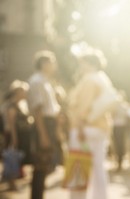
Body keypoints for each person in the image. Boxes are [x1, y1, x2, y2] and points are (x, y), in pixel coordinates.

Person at [68, 50, 114, 199]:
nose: (80, 66)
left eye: (82, 63)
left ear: (89, 64)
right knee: (98, 168)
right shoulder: (103, 79)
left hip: (85, 129)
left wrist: (80, 127)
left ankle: (77, 197)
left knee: (79, 165)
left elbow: (83, 106)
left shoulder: (88, 80)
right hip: (100, 129)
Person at [27, 51, 61, 199]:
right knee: (40, 166)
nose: (54, 65)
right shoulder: (37, 81)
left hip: (49, 123)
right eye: (51, 62)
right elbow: (38, 110)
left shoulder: (45, 81)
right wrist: (43, 134)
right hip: (44, 125)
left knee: (45, 165)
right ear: (43, 63)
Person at [2, 80, 32, 190]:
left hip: (17, 135)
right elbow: (11, 124)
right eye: (23, 92)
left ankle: (13, 181)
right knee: (11, 157)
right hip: (12, 135)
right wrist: (14, 139)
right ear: (17, 92)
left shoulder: (20, 105)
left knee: (15, 157)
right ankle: (11, 183)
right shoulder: (11, 106)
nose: (25, 94)